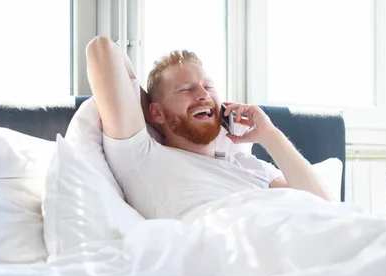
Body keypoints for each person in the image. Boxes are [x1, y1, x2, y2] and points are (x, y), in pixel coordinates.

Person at [85, 36, 333, 219]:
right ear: (156, 112)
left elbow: (327, 208)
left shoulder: (250, 166)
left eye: (209, 87)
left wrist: (270, 135)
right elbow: (103, 51)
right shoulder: (143, 156)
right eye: (186, 89)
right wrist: (154, 114)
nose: (203, 94)